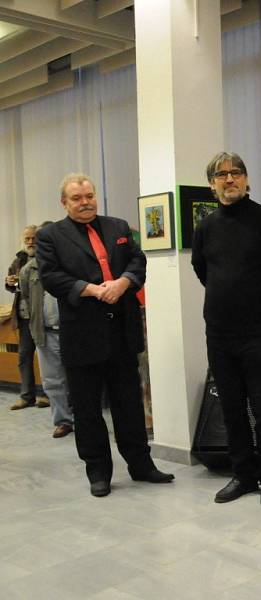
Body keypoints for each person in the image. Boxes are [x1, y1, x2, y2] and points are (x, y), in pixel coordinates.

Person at [37, 173, 174, 497]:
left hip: (122, 333)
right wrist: (91, 290)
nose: (85, 202)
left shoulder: (118, 227)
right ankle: (98, 471)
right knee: (87, 410)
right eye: (77, 198)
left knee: (129, 404)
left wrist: (123, 282)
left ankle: (142, 465)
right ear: (64, 203)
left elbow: (137, 261)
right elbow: (51, 277)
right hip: (82, 335)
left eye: (89, 196)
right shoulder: (50, 236)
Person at [192, 152, 261, 507]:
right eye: (221, 175)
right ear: (212, 184)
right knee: (231, 407)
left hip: (259, 332)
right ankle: (243, 474)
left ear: (246, 179)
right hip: (219, 333)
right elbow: (203, 271)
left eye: (236, 172)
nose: (229, 178)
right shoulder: (206, 226)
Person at [18, 222, 74, 438]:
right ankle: (63, 421)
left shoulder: (70, 264)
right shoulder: (28, 269)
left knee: (79, 378)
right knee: (52, 381)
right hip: (45, 332)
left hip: (72, 331)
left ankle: (86, 419)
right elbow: (26, 297)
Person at [5, 225, 49, 411]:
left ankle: (47, 395)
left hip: (41, 315)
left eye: (34, 238)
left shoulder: (47, 258)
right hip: (23, 316)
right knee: (24, 357)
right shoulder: (19, 260)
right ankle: (27, 396)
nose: (30, 242)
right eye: (27, 239)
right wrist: (9, 283)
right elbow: (11, 285)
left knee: (47, 357)